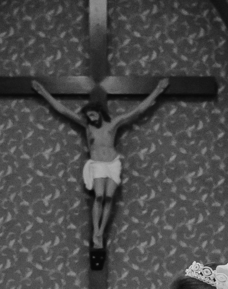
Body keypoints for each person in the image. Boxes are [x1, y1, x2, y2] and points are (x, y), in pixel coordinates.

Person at [31, 79, 170, 253]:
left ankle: (101, 231)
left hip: (112, 163)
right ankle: (95, 230)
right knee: (99, 196)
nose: (91, 118)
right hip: (97, 164)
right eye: (89, 116)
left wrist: (158, 90)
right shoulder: (88, 127)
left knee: (109, 197)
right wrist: (43, 92)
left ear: (99, 112)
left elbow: (138, 110)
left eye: (93, 115)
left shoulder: (113, 124)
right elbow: (63, 110)